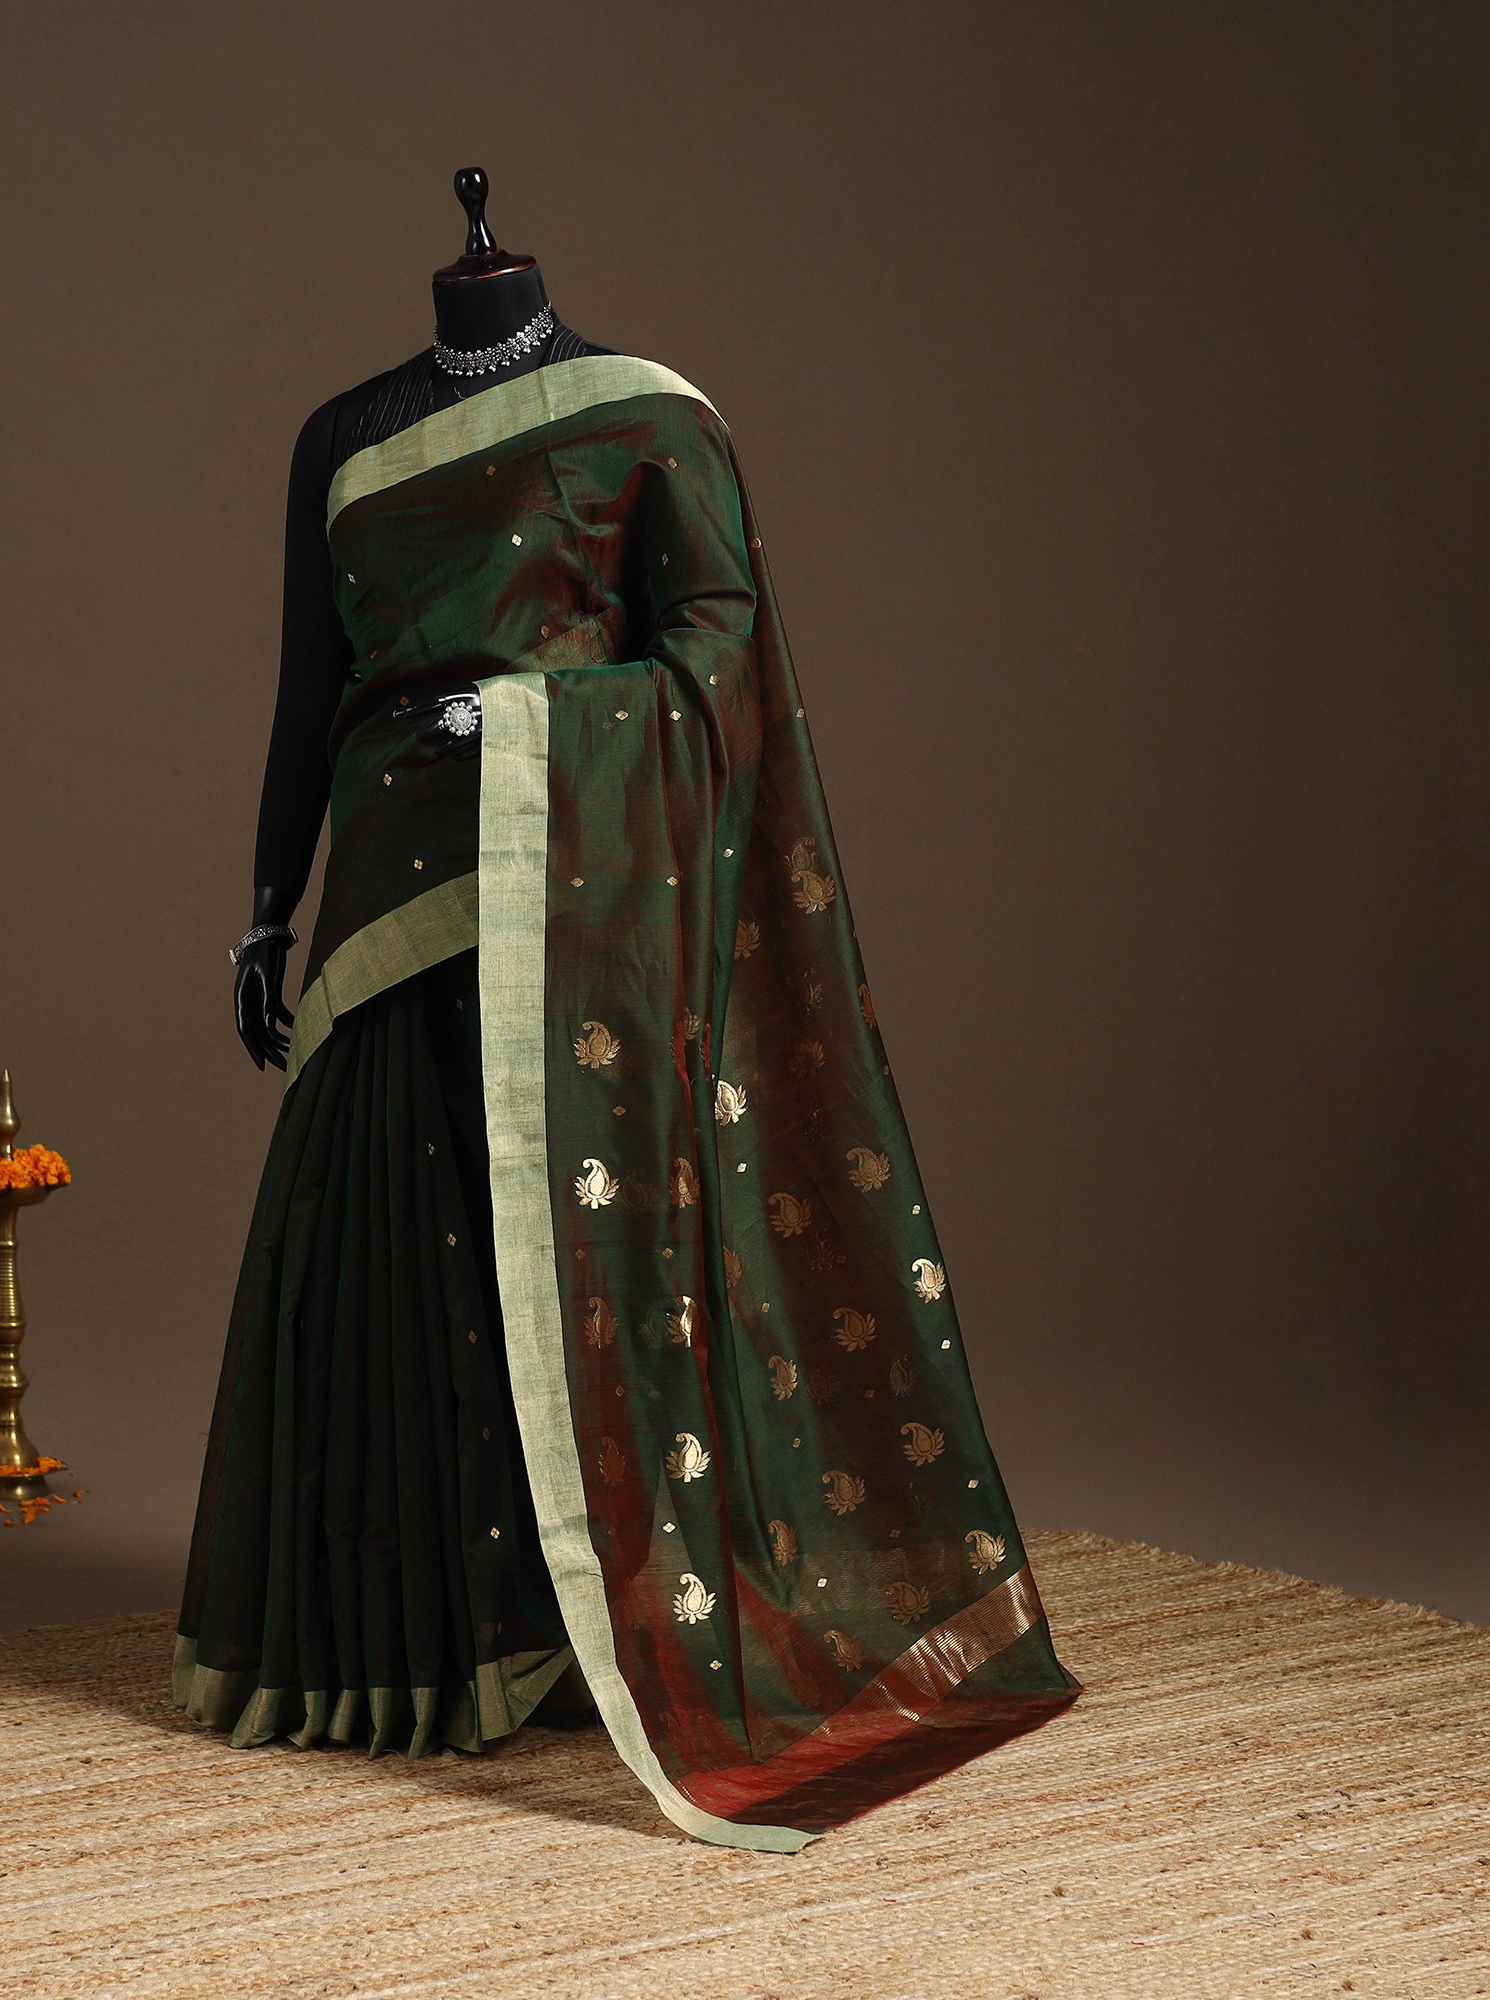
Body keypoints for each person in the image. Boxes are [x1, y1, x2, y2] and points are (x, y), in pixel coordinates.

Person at [176, 174, 1081, 1850]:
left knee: (574, 1264)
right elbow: (311, 693)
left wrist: (530, 715)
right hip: (385, 902)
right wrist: (263, 911)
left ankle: (604, 1625)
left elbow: (720, 651)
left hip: (575, 905)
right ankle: (417, 1656)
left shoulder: (646, 418)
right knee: (396, 1256)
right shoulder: (342, 439)